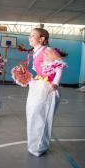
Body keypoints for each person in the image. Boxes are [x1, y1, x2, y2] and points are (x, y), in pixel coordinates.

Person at [25, 28, 68, 156]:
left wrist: (55, 84)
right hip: (38, 86)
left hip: (48, 88)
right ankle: (34, 145)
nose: (30, 38)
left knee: (42, 118)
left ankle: (39, 147)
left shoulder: (48, 50)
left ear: (42, 38)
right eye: (30, 35)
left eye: (33, 35)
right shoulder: (35, 52)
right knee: (33, 115)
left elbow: (59, 67)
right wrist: (30, 78)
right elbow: (41, 71)